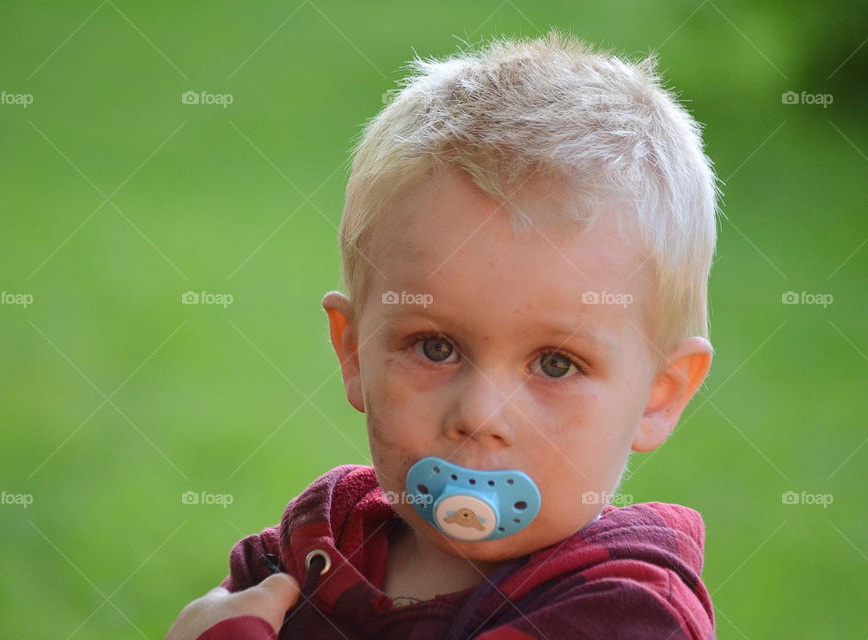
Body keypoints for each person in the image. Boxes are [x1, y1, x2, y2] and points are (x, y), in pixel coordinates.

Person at [167, 29, 720, 639]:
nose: (480, 415)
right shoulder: (320, 542)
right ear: (355, 352)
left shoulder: (625, 612)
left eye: (556, 364)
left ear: (659, 395)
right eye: (436, 347)